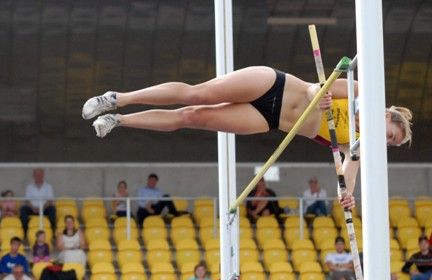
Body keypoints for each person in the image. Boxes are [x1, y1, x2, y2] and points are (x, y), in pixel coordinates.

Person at [82, 67, 412, 151]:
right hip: (275, 85)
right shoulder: (362, 92)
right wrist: (319, 96)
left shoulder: (356, 146)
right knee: (199, 95)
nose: (385, 142)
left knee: (191, 117)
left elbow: (349, 174)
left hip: (268, 119)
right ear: (386, 116)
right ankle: (117, 98)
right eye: (390, 135)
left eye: (390, 144)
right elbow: (317, 87)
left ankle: (118, 120)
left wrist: (349, 195)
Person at [20, 168, 56, 232]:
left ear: (43, 175)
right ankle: (26, 230)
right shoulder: (29, 187)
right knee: (23, 209)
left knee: (52, 209)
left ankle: (52, 230)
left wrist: (42, 208)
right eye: (36, 175)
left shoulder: (48, 186)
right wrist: (33, 208)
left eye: (39, 174)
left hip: (45, 208)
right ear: (33, 176)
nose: (38, 176)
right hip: (32, 209)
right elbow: (27, 200)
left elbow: (49, 200)